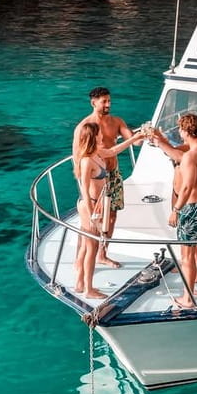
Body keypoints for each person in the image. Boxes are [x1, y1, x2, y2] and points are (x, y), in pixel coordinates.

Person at [72, 87, 141, 269]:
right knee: (89, 222)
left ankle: (102, 254)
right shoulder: (84, 127)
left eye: (109, 101)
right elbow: (77, 160)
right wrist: (84, 191)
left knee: (111, 217)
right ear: (93, 103)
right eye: (104, 101)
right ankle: (80, 259)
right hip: (95, 179)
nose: (108, 105)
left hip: (113, 175)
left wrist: (143, 135)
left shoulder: (116, 121)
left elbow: (134, 141)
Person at [154, 114, 197, 308]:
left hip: (191, 208)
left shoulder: (190, 157)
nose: (179, 132)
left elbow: (188, 187)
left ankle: (188, 299)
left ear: (186, 131)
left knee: (187, 257)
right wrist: (161, 142)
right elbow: (175, 153)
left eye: (180, 129)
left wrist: (176, 210)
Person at [73, 122, 143, 298]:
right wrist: (93, 215)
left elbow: (113, 151)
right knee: (91, 248)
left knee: (86, 246)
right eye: (98, 134)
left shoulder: (97, 153)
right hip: (91, 206)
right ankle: (89, 289)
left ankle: (80, 283)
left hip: (98, 204)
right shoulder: (87, 161)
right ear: (93, 137)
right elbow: (84, 190)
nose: (102, 136)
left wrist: (134, 138)